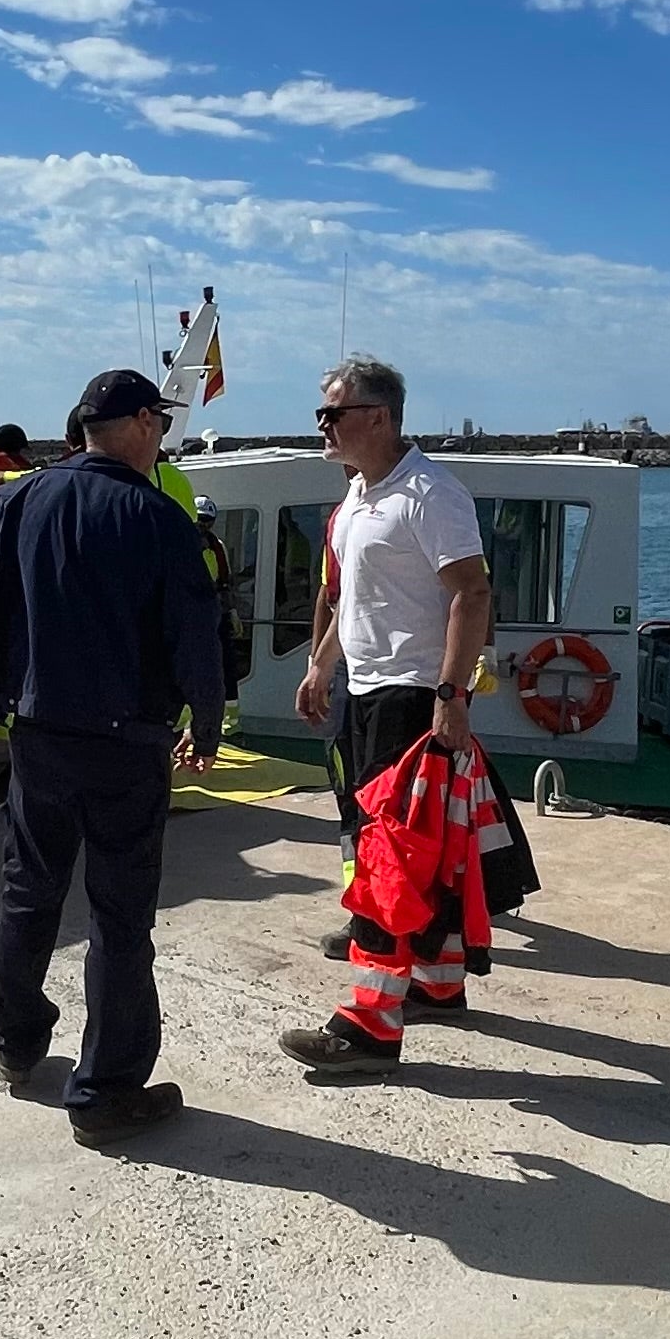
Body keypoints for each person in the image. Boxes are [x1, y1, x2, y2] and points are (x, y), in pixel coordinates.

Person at [0, 368, 229, 1146]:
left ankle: (18, 1048)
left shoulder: (16, 499)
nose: (159, 435)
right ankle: (106, 1090)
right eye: (155, 423)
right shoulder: (157, 519)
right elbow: (197, 639)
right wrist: (210, 724)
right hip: (127, 742)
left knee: (30, 892)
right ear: (138, 427)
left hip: (38, 732)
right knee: (120, 917)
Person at [278, 356, 495, 1080]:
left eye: (332, 413)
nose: (322, 427)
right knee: (409, 852)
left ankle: (369, 1026)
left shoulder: (430, 493)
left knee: (389, 862)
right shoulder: (356, 501)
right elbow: (348, 603)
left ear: (377, 416)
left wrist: (450, 696)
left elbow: (471, 592)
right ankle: (437, 984)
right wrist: (319, 666)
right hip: (365, 695)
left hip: (410, 697)